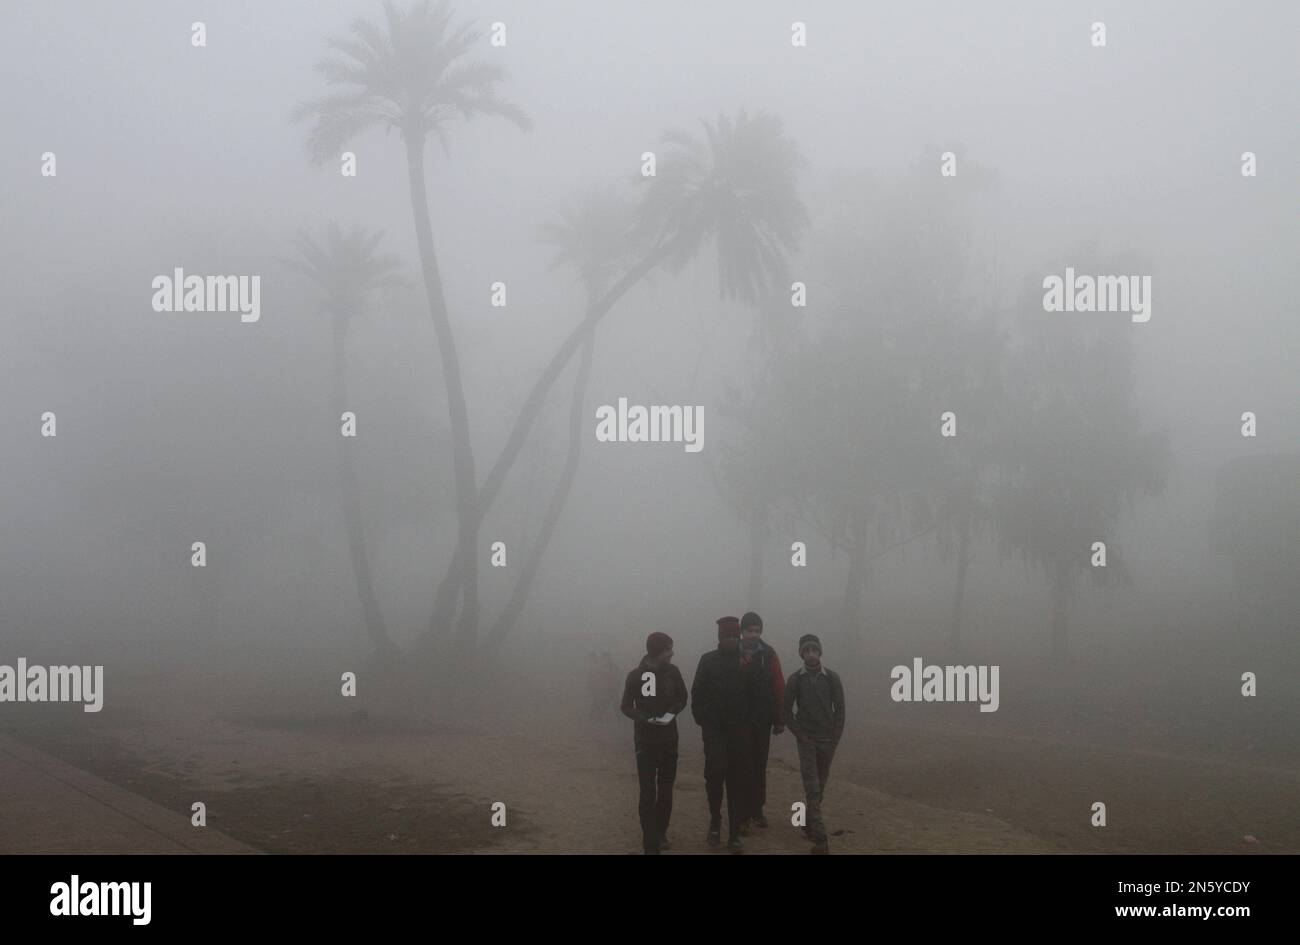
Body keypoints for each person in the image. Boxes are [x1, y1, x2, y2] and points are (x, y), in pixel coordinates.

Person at [690, 616, 756, 852]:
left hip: (739, 731)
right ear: (720, 638)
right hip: (714, 730)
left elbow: (754, 695)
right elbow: (696, 693)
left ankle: (734, 832)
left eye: (733, 636)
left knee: (737, 781)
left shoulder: (746, 662)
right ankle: (715, 821)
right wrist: (704, 719)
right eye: (726, 636)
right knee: (715, 775)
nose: (730, 639)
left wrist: (749, 724)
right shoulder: (707, 661)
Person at [620, 632, 688, 854]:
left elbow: (682, 698)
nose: (672, 653)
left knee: (666, 791)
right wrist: (644, 718)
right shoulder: (635, 676)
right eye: (668, 649)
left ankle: (661, 832)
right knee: (648, 792)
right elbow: (626, 706)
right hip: (645, 741)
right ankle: (650, 840)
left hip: (669, 740)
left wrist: (671, 713)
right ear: (656, 651)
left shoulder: (673, 673)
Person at [783, 634, 845, 854]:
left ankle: (809, 824)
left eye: (814, 650)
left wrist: (835, 738)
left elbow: (840, 711)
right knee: (812, 787)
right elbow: (786, 712)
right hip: (807, 741)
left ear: (820, 652)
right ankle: (821, 840)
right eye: (806, 650)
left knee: (820, 788)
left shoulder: (832, 679)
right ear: (801, 654)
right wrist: (801, 735)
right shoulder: (795, 680)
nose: (810, 654)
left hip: (828, 741)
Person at [738, 611, 784, 830]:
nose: (754, 635)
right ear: (742, 631)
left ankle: (757, 810)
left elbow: (778, 685)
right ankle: (743, 813)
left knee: (759, 765)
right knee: (742, 765)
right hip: (739, 719)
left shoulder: (769, 654)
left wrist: (779, 717)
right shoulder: (732, 652)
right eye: (750, 630)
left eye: (757, 631)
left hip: (763, 719)